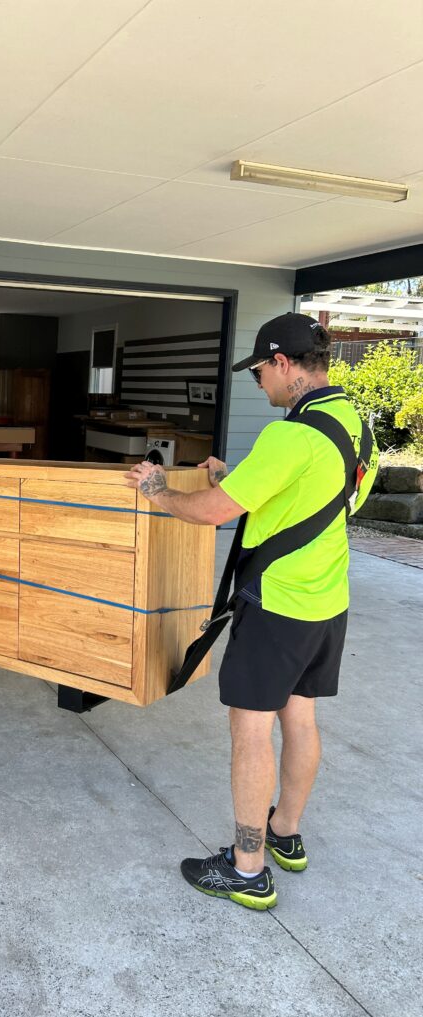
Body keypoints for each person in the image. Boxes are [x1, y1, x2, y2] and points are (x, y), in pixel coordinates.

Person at [125, 312, 378, 911]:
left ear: (283, 364)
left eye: (260, 371)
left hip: (276, 608)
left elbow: (212, 513)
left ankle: (247, 869)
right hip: (326, 603)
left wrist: (158, 490)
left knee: (250, 732)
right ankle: (285, 832)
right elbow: (314, 496)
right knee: (301, 720)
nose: (259, 383)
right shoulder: (356, 425)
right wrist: (234, 478)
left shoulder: (289, 436)